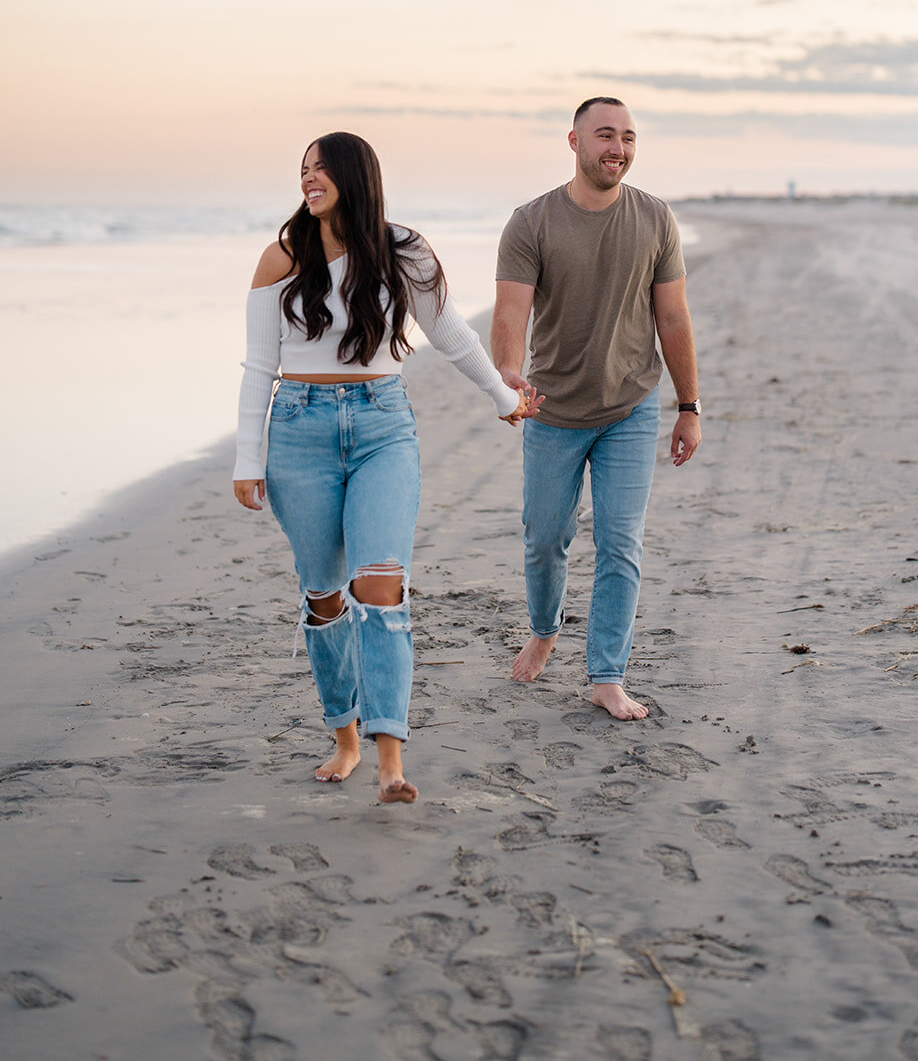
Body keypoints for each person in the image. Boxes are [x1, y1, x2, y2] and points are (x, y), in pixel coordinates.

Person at [234, 131, 537, 802]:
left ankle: (391, 760)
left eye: (319, 169)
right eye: (302, 171)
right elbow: (258, 366)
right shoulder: (281, 256)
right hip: (298, 433)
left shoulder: (404, 251)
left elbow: (450, 332)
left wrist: (500, 397)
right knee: (323, 597)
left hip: (381, 427)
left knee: (380, 586)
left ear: (353, 175)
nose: (308, 180)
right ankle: (344, 740)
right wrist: (246, 460)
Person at [491, 97, 701, 721]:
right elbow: (510, 312)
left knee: (620, 542)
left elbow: (673, 316)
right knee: (546, 537)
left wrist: (688, 405)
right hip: (552, 409)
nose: (619, 148)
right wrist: (507, 375)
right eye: (605, 135)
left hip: (629, 407)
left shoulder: (656, 219)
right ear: (574, 142)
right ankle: (545, 627)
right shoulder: (532, 222)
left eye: (629, 137)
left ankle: (607, 674)